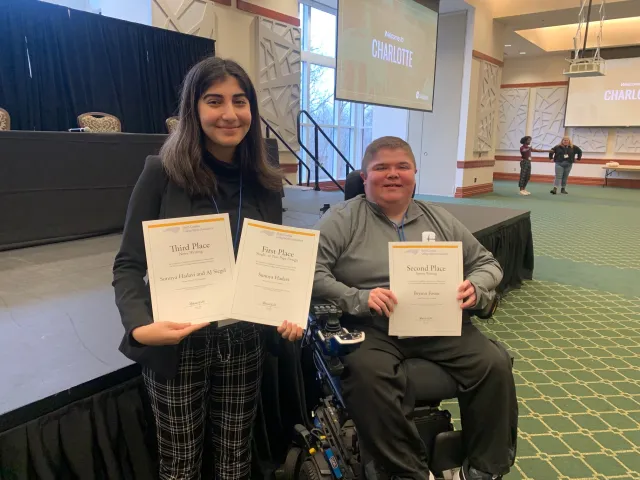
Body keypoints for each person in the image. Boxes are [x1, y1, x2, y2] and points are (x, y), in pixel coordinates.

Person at [112, 57, 303, 480]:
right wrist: (140, 327)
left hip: (245, 339)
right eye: (214, 101)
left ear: (252, 109)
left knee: (236, 460)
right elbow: (127, 264)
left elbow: (274, 259)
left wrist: (286, 309)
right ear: (194, 110)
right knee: (181, 465)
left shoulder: (265, 181)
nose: (230, 114)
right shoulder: (161, 172)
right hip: (179, 341)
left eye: (240, 101)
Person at [313, 136, 518, 480]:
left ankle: (484, 469)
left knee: (493, 364)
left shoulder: (438, 218)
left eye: (402, 167)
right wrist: (358, 298)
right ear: (364, 177)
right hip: (374, 325)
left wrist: (476, 286)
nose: (393, 175)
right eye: (381, 168)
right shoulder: (342, 219)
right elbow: (311, 270)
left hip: (437, 322)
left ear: (414, 174)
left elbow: (487, 263)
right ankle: (407, 472)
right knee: (367, 375)